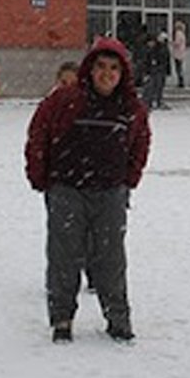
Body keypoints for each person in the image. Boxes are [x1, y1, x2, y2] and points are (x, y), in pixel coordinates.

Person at [24, 37, 151, 344]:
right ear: (89, 70)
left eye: (113, 68)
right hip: (67, 190)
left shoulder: (131, 108)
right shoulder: (65, 101)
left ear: (123, 73)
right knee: (63, 257)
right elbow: (39, 135)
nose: (107, 74)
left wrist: (127, 180)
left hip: (109, 193)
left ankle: (118, 319)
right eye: (100, 67)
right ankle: (62, 320)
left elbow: (140, 144)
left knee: (110, 259)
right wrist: (41, 177)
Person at [170, 20, 187, 88]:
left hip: (178, 53)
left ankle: (181, 82)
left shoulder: (178, 33)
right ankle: (181, 81)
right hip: (181, 52)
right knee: (180, 68)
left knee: (178, 68)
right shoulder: (183, 33)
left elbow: (177, 43)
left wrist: (171, 43)